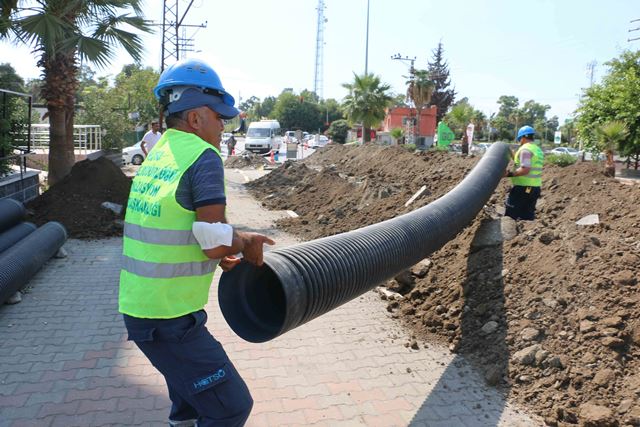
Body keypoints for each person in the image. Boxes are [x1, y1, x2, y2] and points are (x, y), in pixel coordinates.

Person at [119, 58, 275, 427]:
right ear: (194, 119)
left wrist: (220, 250)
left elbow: (180, 221)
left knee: (189, 405)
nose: (223, 126)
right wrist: (242, 241)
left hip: (146, 308)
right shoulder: (203, 157)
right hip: (169, 320)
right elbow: (210, 238)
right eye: (219, 116)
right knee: (231, 406)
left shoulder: (160, 152)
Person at [503, 125, 544, 220]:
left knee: (510, 215)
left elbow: (525, 169)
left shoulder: (525, 150)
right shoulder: (537, 149)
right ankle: (526, 234)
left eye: (519, 139)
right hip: (534, 188)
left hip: (523, 188)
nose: (519, 141)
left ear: (523, 137)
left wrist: (509, 174)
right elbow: (526, 163)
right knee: (527, 217)